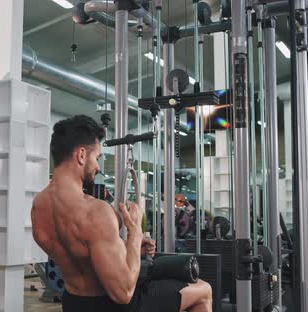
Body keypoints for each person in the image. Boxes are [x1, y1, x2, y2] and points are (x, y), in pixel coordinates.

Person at [31, 115, 212, 312]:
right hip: (113, 305)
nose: (98, 167)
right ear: (82, 155)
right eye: (97, 158)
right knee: (203, 290)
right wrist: (134, 232)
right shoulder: (96, 211)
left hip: (73, 302)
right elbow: (123, 293)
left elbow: (80, 254)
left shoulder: (38, 206)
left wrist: (128, 248)